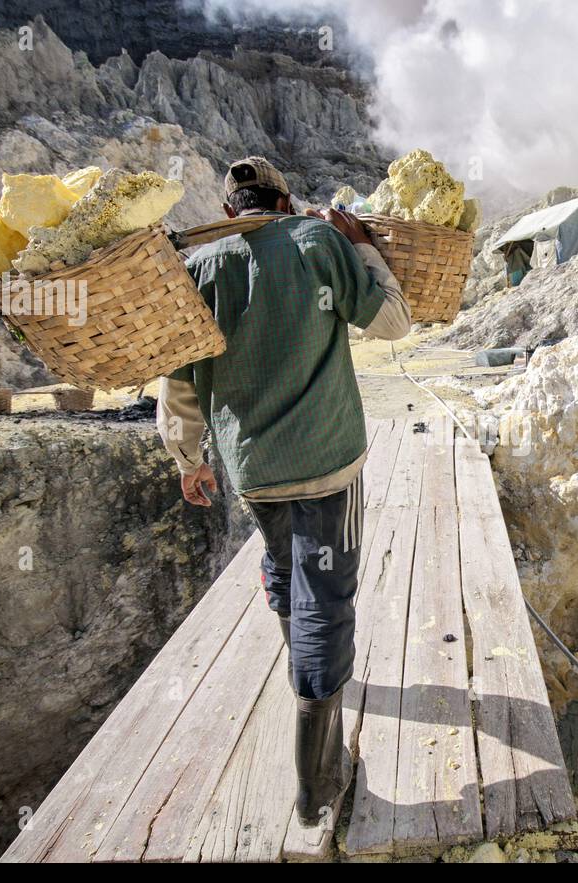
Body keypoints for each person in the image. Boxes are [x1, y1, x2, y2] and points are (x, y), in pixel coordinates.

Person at [156, 155, 410, 827]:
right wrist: (361, 244)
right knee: (327, 596)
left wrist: (188, 457)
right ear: (286, 197)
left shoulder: (202, 267)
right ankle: (317, 784)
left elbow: (179, 380)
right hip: (327, 462)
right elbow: (392, 321)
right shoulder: (317, 241)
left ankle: (305, 692)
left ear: (231, 210)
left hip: (255, 472)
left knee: (280, 565)